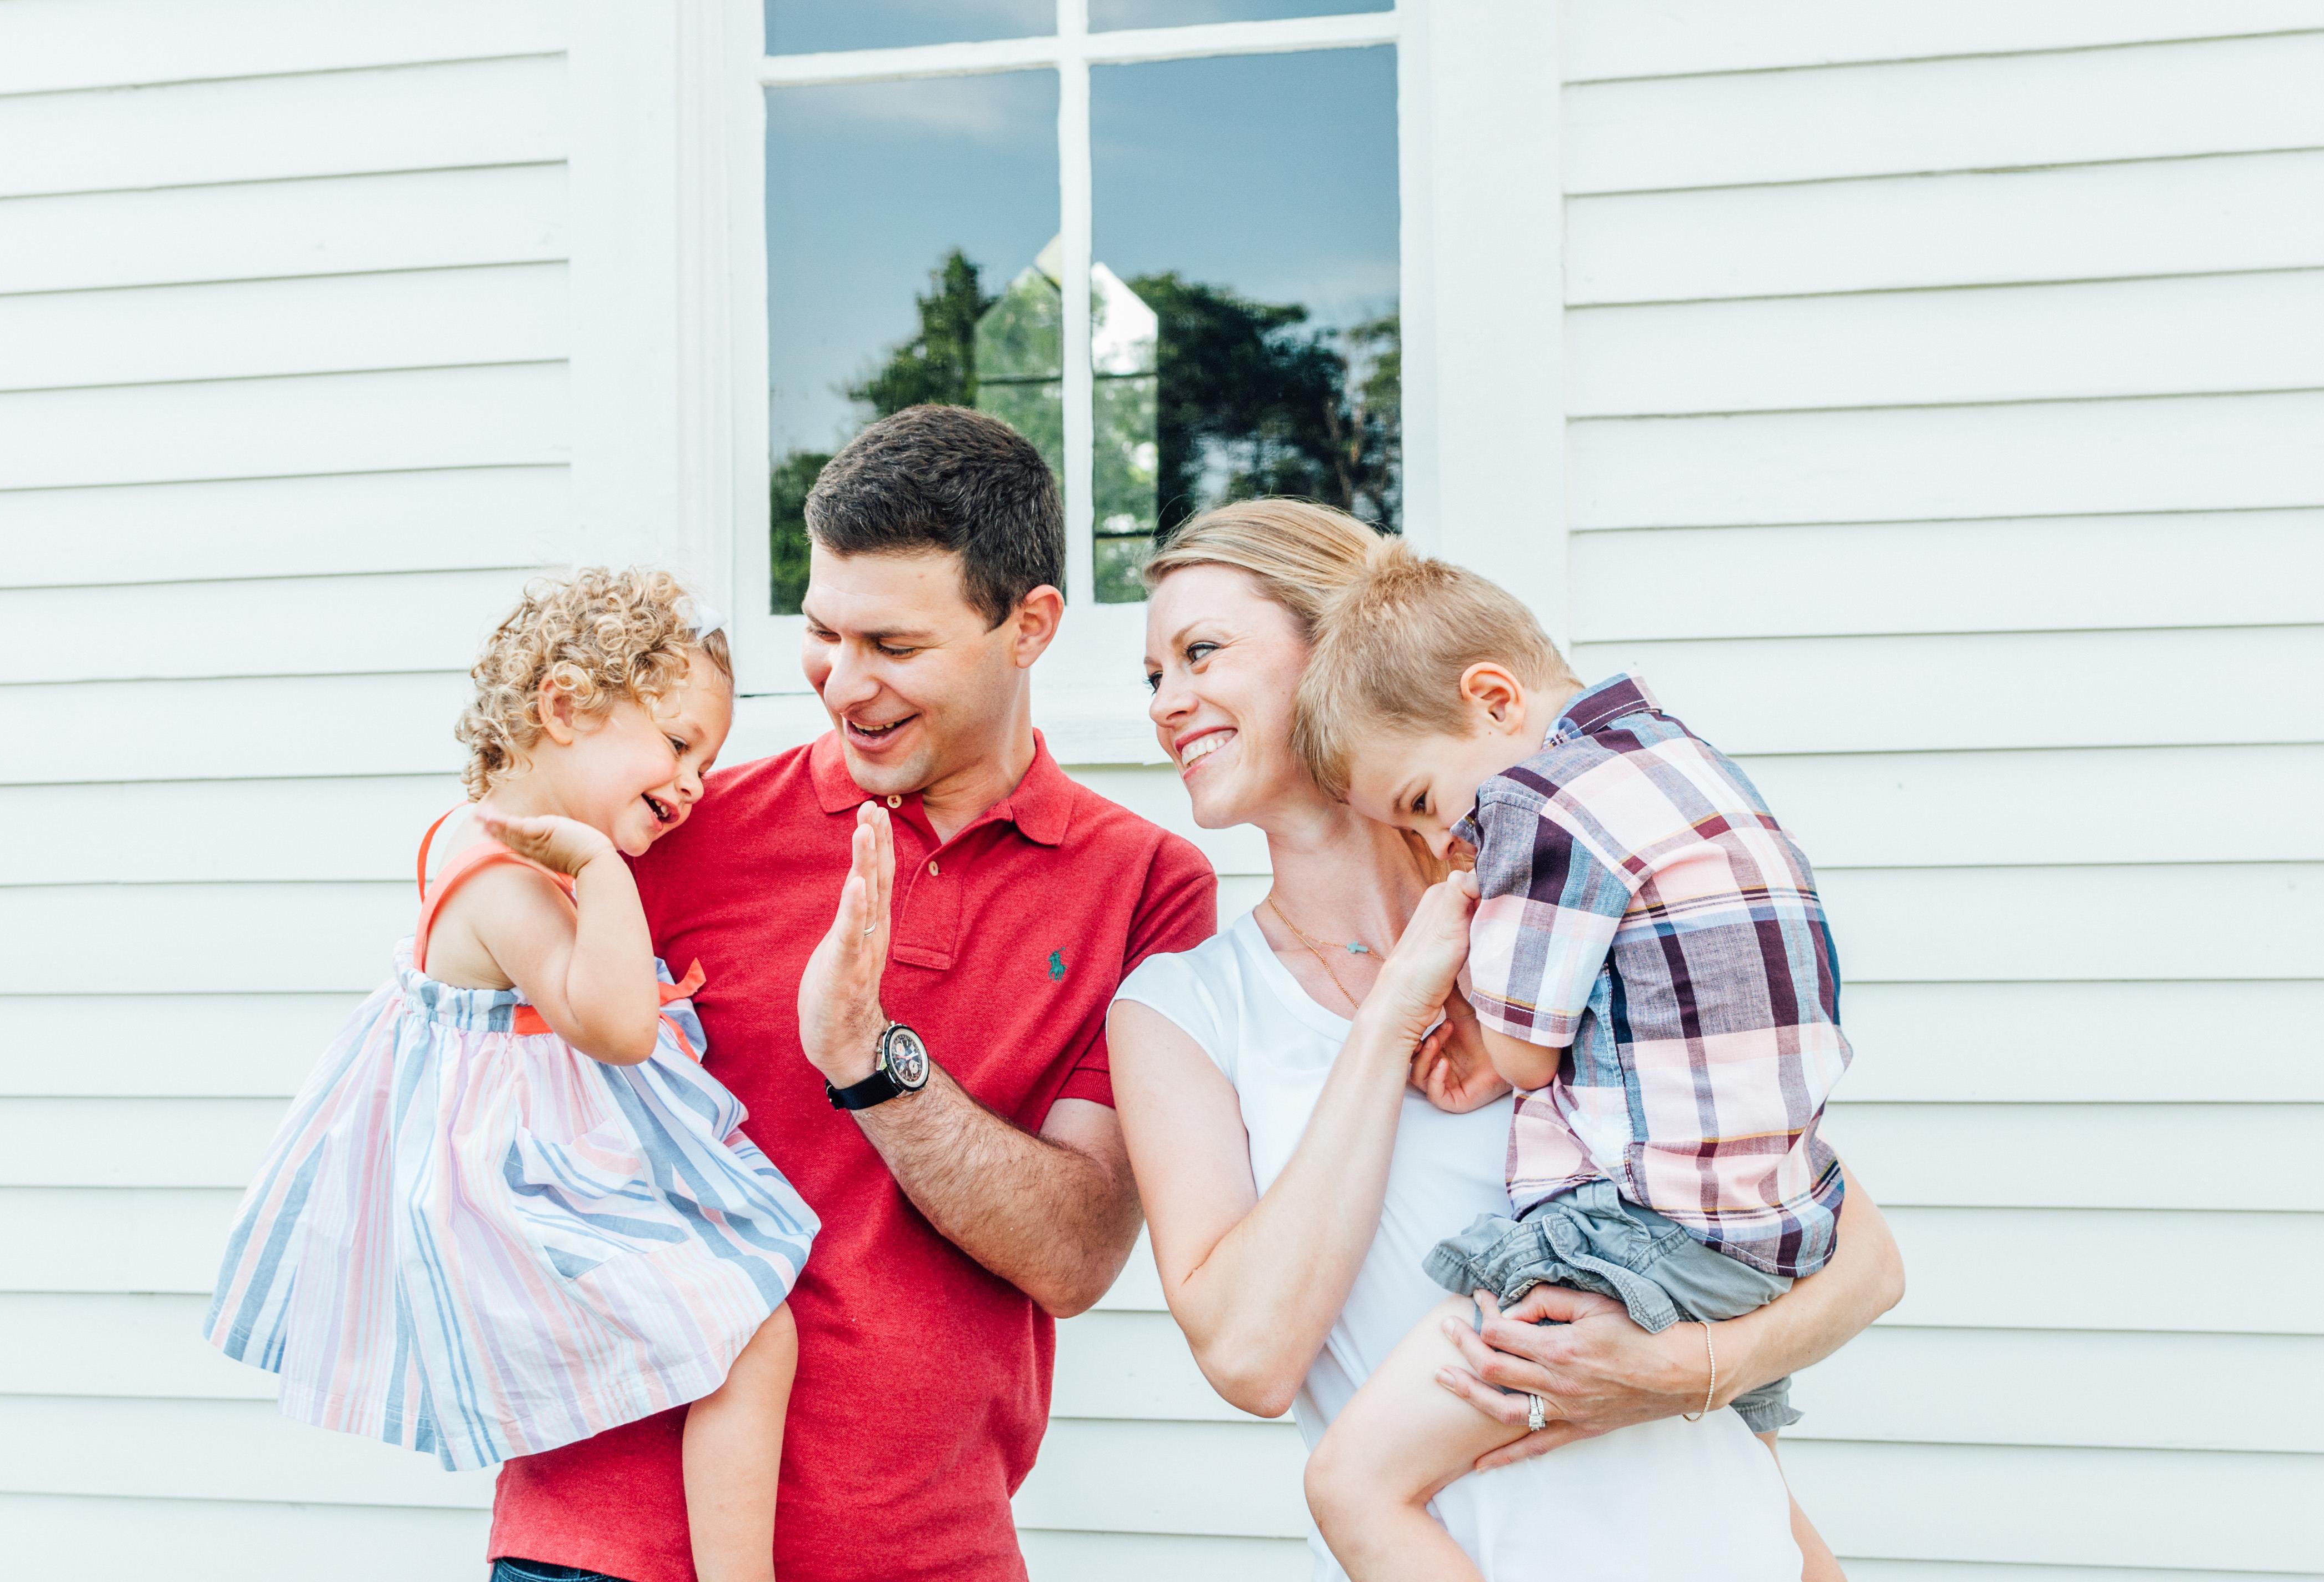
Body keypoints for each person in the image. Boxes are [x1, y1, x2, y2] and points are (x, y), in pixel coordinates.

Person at [486, 405, 1220, 1582]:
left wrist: (870, 1058)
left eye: (894, 644)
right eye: (823, 631)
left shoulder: (1144, 886)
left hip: (924, 1551)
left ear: (1030, 626)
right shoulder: (668, 831)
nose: (844, 681)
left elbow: (1077, 1253)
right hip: (603, 1544)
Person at [1108, 500, 1905, 1581]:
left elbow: (1857, 1255)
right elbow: (1250, 1356)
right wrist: (1393, 1012)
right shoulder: (1186, 1009)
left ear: (1339, 642)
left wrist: (1682, 1373)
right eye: (1152, 676)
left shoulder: (1578, 913)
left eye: (1201, 652)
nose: (1168, 703)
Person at [206, 570, 816, 1582]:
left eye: (707, 761)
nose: (696, 783)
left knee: (740, 1324)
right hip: (516, 1205)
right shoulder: (501, 878)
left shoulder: (491, 847)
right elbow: (617, 1028)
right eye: (677, 745)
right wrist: (604, 872)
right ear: (564, 708)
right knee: (754, 1330)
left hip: (539, 1174)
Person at [1288, 542, 1853, 1580]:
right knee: (1746, 1493)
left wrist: (1465, 989)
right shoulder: (1685, 758)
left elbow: (1521, 1051)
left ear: (1494, 700)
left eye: (1424, 800)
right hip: (1781, 1222)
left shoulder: (1538, 803)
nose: (1443, 841)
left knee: (1353, 1483)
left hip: (1649, 1231)